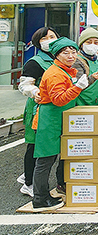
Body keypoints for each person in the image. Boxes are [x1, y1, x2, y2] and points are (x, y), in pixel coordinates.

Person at [32, 38, 94, 211]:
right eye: (65, 53)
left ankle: (43, 195)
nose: (71, 56)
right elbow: (59, 99)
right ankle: (40, 198)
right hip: (49, 120)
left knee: (51, 158)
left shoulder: (64, 70)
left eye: (73, 52)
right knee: (45, 160)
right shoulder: (55, 73)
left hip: (57, 119)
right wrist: (78, 87)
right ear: (56, 55)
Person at [17, 27, 59, 198]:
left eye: (53, 36)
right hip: (38, 107)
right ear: (38, 42)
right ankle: (29, 183)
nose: (49, 40)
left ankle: (29, 176)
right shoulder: (35, 62)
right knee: (35, 146)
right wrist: (35, 92)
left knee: (45, 146)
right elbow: (25, 84)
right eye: (45, 38)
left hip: (53, 107)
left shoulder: (57, 59)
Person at [73, 28, 98, 106]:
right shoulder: (77, 61)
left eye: (96, 42)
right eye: (88, 42)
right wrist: (93, 77)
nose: (92, 45)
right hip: (85, 103)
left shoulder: (94, 59)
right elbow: (78, 85)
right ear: (82, 44)